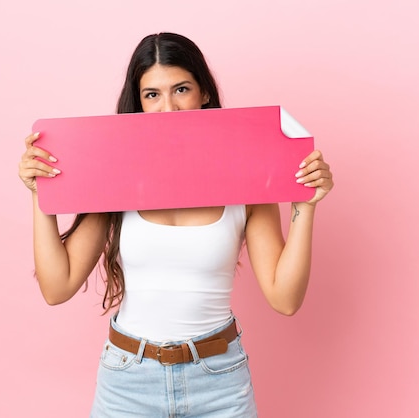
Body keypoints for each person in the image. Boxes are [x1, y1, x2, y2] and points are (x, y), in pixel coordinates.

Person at [18, 32, 334, 417]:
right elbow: (57, 286)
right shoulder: (115, 179)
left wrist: (306, 206)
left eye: (181, 89)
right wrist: (42, 196)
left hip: (219, 381)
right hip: (128, 383)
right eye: (152, 95)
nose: (168, 108)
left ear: (203, 93)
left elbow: (285, 299)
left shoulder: (247, 181)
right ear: (139, 104)